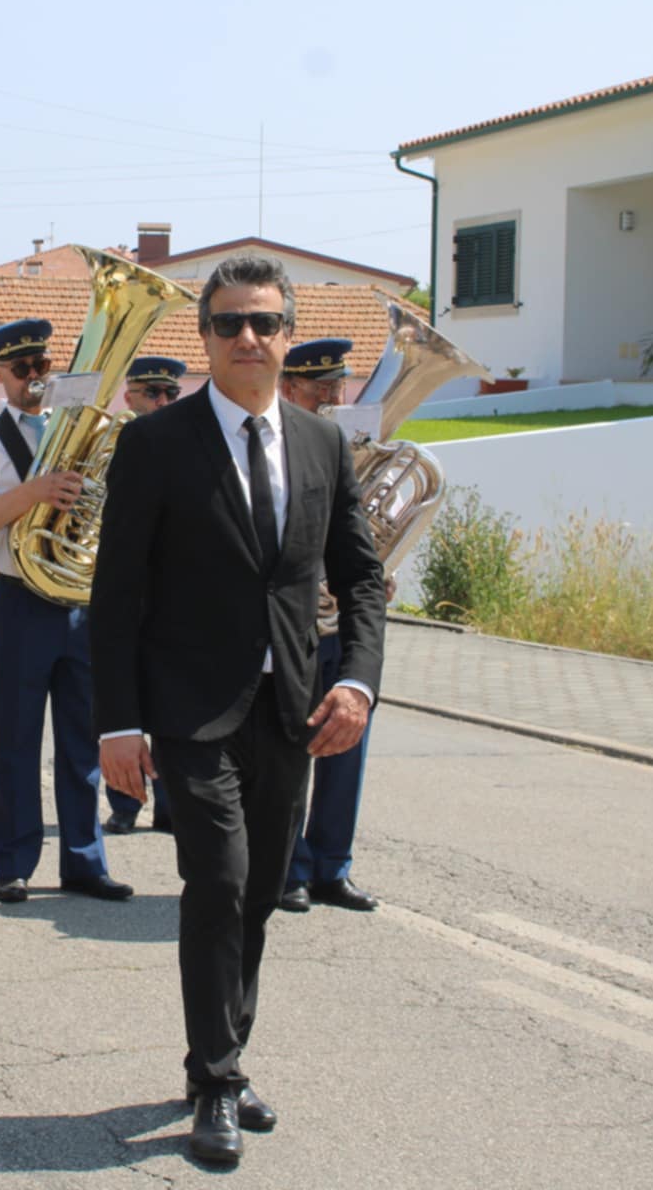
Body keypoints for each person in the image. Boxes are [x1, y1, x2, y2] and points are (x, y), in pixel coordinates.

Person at [91, 254, 385, 1167]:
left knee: (259, 893)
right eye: (229, 323)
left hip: (290, 707)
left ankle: (220, 1058)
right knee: (217, 881)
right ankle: (216, 1081)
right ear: (205, 338)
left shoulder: (323, 443)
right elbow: (117, 595)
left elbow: (361, 577)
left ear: (286, 335)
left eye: (264, 322)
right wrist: (118, 723)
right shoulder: (154, 444)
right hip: (190, 709)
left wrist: (357, 682)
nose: (247, 337)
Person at [0, 319, 128, 905]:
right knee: (15, 740)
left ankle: (84, 861)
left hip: (78, 600)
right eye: (21, 369)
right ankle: (13, 863)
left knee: (82, 742)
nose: (33, 377)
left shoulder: (84, 430)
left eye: (42, 367)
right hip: (19, 600)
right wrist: (33, 492)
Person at [270, 338, 382, 914]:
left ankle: (332, 868)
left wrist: (380, 572)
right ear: (289, 388)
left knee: (345, 750)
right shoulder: (274, 451)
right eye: (321, 390)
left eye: (339, 387)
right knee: (291, 753)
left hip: (343, 628)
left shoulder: (346, 449)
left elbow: (364, 538)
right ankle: (288, 867)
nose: (333, 399)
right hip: (294, 628)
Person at [101, 355, 186, 836]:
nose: (162, 402)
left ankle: (170, 803)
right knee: (123, 698)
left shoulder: (186, 446)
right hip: (124, 588)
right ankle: (125, 801)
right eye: (152, 393)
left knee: (172, 703)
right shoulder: (109, 444)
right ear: (128, 396)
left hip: (171, 594)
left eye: (171, 394)